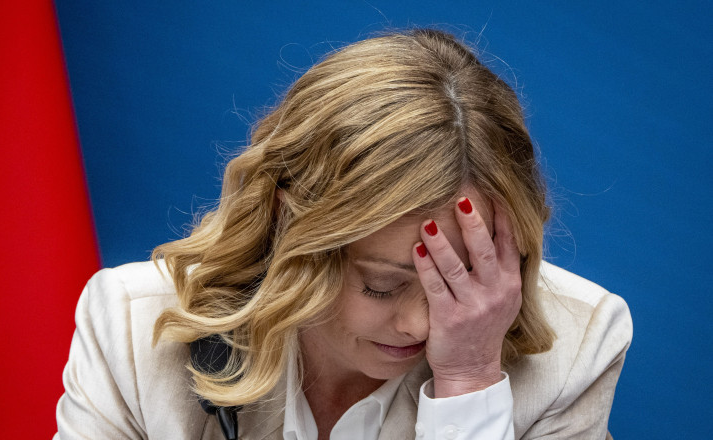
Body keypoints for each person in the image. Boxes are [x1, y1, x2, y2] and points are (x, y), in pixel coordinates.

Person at [54, 29, 632, 439]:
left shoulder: (578, 351)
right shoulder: (131, 328)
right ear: (287, 225)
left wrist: (469, 383)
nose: (420, 325)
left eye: (458, 282)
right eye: (382, 284)